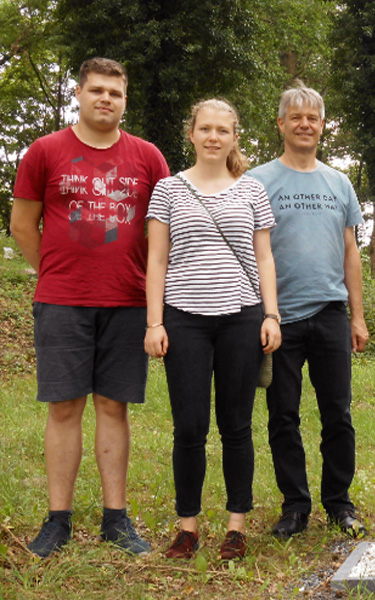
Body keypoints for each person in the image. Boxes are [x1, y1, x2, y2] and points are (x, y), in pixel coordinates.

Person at [10, 57, 169, 558]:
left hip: (127, 300)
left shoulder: (147, 158)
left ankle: (115, 520)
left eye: (115, 93)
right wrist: (56, 271)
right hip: (61, 302)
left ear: (125, 100)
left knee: (113, 406)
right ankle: (58, 520)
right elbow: (22, 225)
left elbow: (162, 232)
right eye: (97, 90)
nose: (106, 99)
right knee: (64, 407)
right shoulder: (45, 151)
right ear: (78, 93)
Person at [144, 98, 281, 560]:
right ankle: (187, 527)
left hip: (241, 319)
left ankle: (236, 526)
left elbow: (264, 257)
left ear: (234, 137)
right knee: (190, 426)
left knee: (236, 425)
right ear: (192, 133)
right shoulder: (167, 190)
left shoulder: (252, 191)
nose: (213, 137)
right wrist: (154, 322)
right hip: (183, 320)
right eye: (205, 128)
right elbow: (157, 260)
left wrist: (271, 314)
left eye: (223, 130)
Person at [248, 83, 369, 540]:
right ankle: (295, 506)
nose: (304, 124)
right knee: (283, 415)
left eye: (312, 118)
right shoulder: (258, 180)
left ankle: (339, 503)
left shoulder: (339, 182)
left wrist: (357, 316)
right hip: (278, 318)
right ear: (280, 124)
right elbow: (248, 249)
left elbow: (350, 252)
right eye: (295, 117)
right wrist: (261, 313)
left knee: (337, 412)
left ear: (322, 126)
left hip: (330, 313)